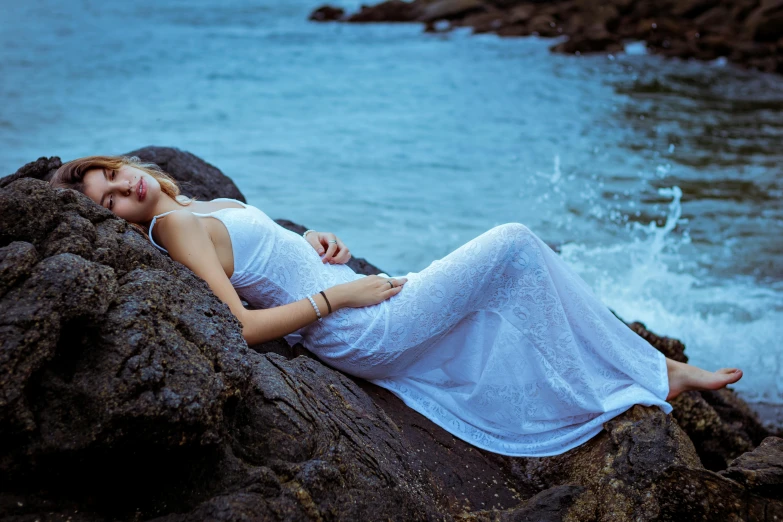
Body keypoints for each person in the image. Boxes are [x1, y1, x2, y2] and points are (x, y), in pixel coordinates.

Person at [50, 155, 743, 457]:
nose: (121, 189)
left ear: (123, 160)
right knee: (514, 246)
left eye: (110, 174)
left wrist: (310, 239)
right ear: (113, 220)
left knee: (516, 273)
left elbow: (261, 256)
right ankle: (652, 374)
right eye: (106, 201)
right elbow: (241, 326)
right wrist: (336, 293)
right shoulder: (171, 227)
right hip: (355, 326)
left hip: (357, 306)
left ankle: (638, 372)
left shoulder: (197, 205)